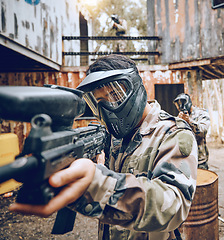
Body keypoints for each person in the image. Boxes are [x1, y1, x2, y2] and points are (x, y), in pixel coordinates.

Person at [9, 55, 198, 240]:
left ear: (138, 89)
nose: (108, 108)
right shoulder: (112, 136)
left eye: (115, 95)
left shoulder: (173, 133)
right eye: (99, 102)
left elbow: (174, 208)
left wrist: (96, 183)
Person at [173, 93, 210, 170]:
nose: (179, 107)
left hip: (199, 159)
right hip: (184, 160)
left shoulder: (201, 113)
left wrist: (189, 122)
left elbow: (203, 131)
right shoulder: (180, 116)